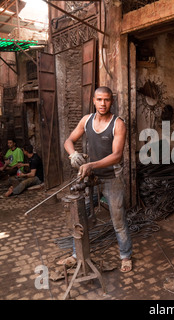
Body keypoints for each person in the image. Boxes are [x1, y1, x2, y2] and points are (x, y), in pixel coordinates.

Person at [60, 86, 132, 273]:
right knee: (80, 216)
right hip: (90, 178)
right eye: (99, 99)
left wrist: (90, 165)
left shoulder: (118, 124)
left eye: (106, 100)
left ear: (112, 102)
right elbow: (68, 141)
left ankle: (125, 256)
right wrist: (73, 154)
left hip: (112, 178)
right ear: (93, 100)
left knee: (118, 220)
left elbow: (116, 155)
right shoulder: (86, 120)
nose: (103, 103)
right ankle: (77, 255)